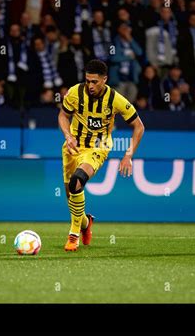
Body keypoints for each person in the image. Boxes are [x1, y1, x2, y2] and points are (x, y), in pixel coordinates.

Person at [58, 59, 145, 251]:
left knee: (76, 182)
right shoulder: (74, 93)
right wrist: (68, 135)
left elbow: (139, 126)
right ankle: (85, 224)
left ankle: (73, 235)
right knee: (71, 196)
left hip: (98, 147)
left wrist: (128, 155)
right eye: (88, 81)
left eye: (94, 82)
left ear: (104, 80)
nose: (90, 85)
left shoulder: (115, 99)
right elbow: (63, 115)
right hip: (72, 147)